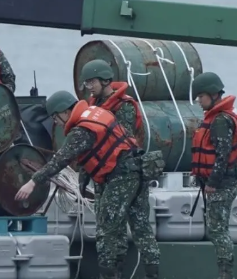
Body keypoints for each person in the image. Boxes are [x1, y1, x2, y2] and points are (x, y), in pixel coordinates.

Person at [15, 91, 160, 279]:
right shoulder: (97, 114)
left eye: (55, 118)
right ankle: (154, 274)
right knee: (141, 228)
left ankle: (109, 275)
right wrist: (84, 180)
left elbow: (60, 159)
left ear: (64, 112)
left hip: (120, 179)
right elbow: (100, 150)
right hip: (138, 172)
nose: (56, 123)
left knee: (107, 232)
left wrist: (33, 182)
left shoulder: (82, 130)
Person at [80, 58, 144, 276]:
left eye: (92, 82)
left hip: (119, 174)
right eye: (86, 83)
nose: (89, 87)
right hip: (100, 174)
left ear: (105, 80)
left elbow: (123, 143)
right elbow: (88, 143)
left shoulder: (123, 106)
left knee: (112, 228)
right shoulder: (93, 107)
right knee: (104, 228)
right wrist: (84, 174)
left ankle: (114, 272)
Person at [191, 72, 237, 279]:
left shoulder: (221, 121)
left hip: (223, 183)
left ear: (213, 95)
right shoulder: (216, 117)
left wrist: (212, 182)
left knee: (217, 230)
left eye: (201, 96)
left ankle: (226, 273)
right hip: (219, 182)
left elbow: (222, 155)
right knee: (216, 228)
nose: (199, 101)